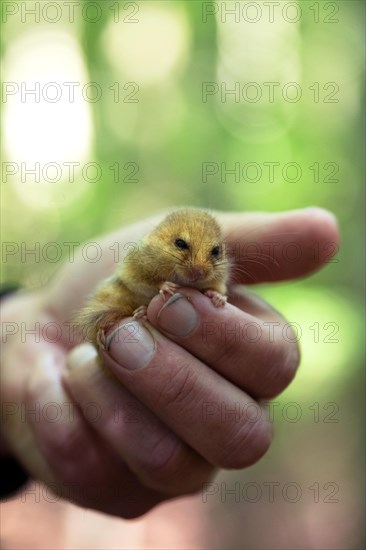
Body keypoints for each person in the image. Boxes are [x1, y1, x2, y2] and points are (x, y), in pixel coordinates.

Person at [0, 207, 339, 518]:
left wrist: (217, 294)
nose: (199, 266)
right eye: (182, 247)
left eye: (213, 254)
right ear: (161, 238)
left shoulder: (211, 273)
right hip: (122, 312)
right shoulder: (143, 259)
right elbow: (130, 280)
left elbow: (215, 279)